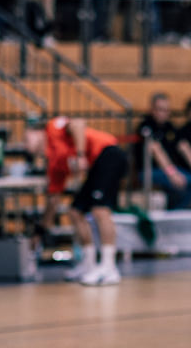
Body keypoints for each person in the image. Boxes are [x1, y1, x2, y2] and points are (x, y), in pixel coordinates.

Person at [26, 116, 128, 286]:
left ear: (38, 132)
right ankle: (89, 263)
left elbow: (78, 124)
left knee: (100, 209)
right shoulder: (54, 164)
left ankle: (109, 267)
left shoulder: (53, 127)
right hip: (96, 166)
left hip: (108, 153)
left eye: (26, 138)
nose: (25, 144)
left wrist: (80, 155)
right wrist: (40, 232)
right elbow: (53, 201)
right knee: (75, 211)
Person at [136, 93, 191, 210]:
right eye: (160, 109)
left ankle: (177, 209)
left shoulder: (170, 126)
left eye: (166, 110)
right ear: (152, 110)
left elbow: (184, 147)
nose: (163, 113)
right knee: (178, 183)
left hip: (172, 169)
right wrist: (172, 173)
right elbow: (156, 150)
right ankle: (175, 210)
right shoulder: (146, 126)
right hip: (150, 171)